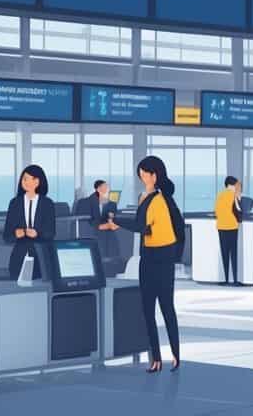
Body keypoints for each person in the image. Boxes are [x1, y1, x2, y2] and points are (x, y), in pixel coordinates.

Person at [103, 156, 185, 373]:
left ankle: (175, 356)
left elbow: (142, 226)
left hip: (160, 257)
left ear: (154, 175)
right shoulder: (145, 197)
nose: (141, 177)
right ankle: (156, 358)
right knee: (148, 310)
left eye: (144, 174)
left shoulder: (158, 199)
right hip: (149, 256)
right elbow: (146, 227)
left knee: (165, 307)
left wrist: (116, 222)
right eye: (140, 174)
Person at [2, 164, 56, 279]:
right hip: (19, 257)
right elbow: (7, 236)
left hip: (41, 258)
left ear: (37, 182)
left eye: (28, 179)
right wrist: (17, 233)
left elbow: (51, 233)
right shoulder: (15, 203)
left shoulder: (47, 203)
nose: (25, 182)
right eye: (23, 179)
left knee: (40, 291)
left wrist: (37, 234)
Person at [214, 176, 242, 286]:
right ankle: (235, 280)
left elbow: (216, 211)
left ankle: (225, 280)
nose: (236, 187)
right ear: (231, 185)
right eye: (235, 185)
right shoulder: (233, 195)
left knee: (224, 253)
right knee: (233, 253)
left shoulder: (220, 195)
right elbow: (238, 210)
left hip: (221, 226)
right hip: (232, 226)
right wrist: (238, 198)